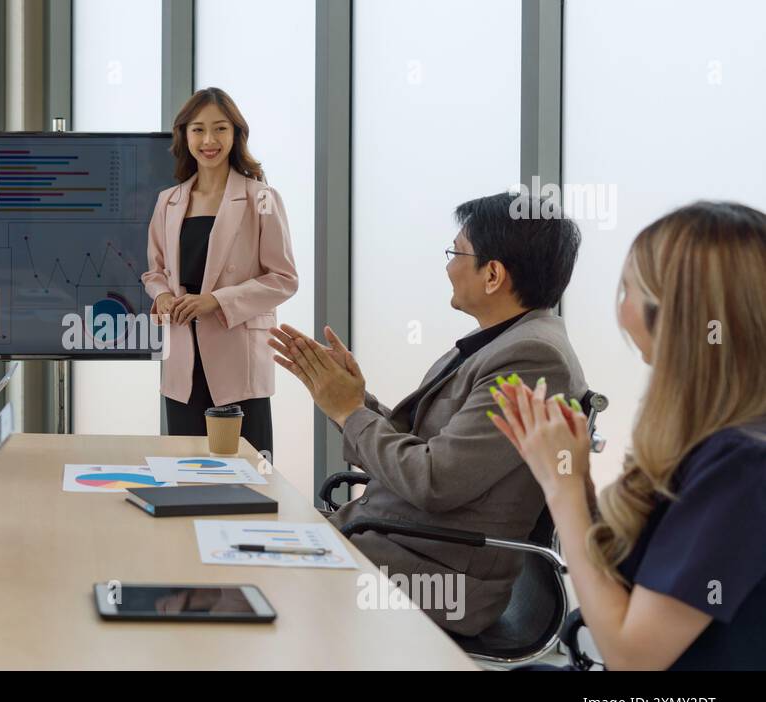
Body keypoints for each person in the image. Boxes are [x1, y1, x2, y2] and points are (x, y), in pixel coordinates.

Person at [269, 192, 584, 635]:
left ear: (493, 274)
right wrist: (353, 401)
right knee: (245, 541)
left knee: (250, 572)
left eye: (457, 252)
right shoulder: (500, 342)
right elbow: (416, 445)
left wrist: (348, 412)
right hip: (398, 544)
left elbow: (434, 481)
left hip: (439, 576)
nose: (448, 266)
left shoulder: (531, 359)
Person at [491, 201, 766, 669]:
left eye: (628, 291)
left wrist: (562, 491)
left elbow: (633, 657)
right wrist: (575, 480)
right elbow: (633, 585)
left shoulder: (742, 467)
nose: (620, 310)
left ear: (674, 313)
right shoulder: (718, 445)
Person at [142, 87, 298, 460]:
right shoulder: (169, 200)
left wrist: (216, 301)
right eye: (198, 130)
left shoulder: (261, 197)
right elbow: (155, 270)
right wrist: (162, 295)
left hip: (237, 355)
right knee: (187, 470)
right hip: (183, 356)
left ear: (235, 134)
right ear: (185, 136)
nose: (208, 140)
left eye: (220, 129)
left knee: (249, 473)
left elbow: (283, 278)